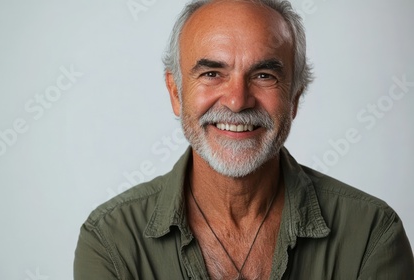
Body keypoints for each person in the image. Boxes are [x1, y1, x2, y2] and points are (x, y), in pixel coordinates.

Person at [74, 0, 414, 279]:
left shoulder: (371, 233)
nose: (237, 101)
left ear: (295, 97)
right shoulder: (111, 239)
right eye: (212, 74)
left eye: (264, 75)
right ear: (176, 92)